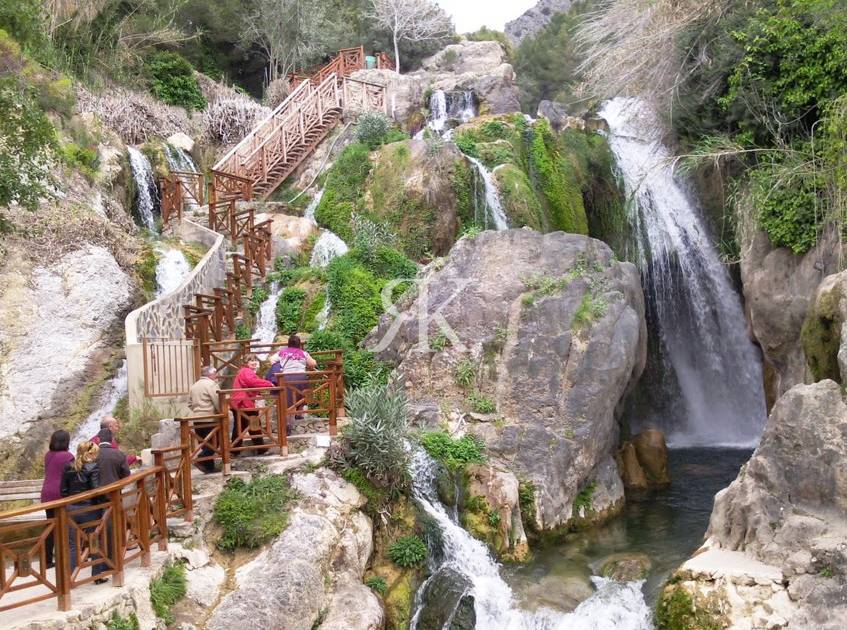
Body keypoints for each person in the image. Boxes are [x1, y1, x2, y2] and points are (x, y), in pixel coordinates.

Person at [91, 428, 129, 581]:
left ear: (98, 440)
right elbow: (126, 474)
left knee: (96, 532)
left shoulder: (93, 454)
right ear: (112, 439)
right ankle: (112, 563)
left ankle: (98, 566)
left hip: (95, 499)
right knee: (112, 530)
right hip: (113, 498)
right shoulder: (118, 454)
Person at [60, 441, 100, 578]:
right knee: (94, 540)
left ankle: (70, 577)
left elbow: (63, 491)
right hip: (89, 510)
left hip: (71, 509)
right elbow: (95, 490)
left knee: (72, 545)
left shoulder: (68, 466)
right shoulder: (93, 466)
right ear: (91, 453)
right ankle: (97, 575)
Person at [41, 430, 74, 569]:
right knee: (68, 525)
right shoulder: (68, 456)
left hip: (47, 493)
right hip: (61, 494)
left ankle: (47, 560)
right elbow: (73, 475)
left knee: (51, 526)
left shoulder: (48, 455)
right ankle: (67, 557)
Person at [231, 354, 274, 455]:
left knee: (243, 427)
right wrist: (268, 384)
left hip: (241, 403)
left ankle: (235, 450)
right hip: (243, 403)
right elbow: (252, 382)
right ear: (246, 363)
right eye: (251, 361)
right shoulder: (246, 371)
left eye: (255, 360)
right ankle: (259, 448)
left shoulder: (244, 371)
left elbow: (250, 384)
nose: (254, 362)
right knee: (252, 424)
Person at [277, 335, 316, 425]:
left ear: (288, 343)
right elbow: (313, 363)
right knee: (302, 394)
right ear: (299, 344)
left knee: (288, 399)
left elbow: (272, 360)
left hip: (286, 378)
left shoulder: (282, 352)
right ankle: (299, 413)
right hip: (300, 378)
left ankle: (287, 423)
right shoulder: (303, 353)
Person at [188, 366, 221, 473]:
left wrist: (198, 410)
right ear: (211, 374)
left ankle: (209, 468)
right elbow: (217, 400)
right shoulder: (211, 385)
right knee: (214, 444)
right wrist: (221, 412)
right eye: (215, 373)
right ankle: (200, 460)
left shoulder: (194, 386)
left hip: (197, 419)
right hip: (210, 419)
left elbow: (190, 403)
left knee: (205, 444)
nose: (217, 375)